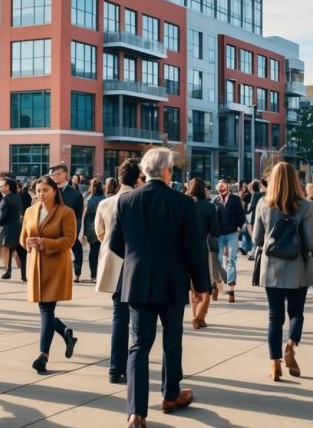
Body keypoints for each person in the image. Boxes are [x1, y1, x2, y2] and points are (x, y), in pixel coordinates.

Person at [109, 148, 210, 427]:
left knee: (139, 346)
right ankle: (170, 394)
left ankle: (136, 412)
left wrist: (137, 254)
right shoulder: (182, 202)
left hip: (138, 280)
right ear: (167, 171)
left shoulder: (126, 201)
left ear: (145, 171)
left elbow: (116, 244)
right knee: (172, 340)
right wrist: (201, 284)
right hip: (172, 280)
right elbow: (193, 248)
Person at [253, 162, 313, 382]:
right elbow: (312, 242)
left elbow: (256, 239)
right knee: (296, 313)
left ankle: (275, 365)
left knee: (274, 318)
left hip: (271, 267)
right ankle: (290, 347)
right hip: (297, 268)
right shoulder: (306, 206)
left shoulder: (263, 204)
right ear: (295, 180)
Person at [20, 175, 78, 374]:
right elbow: (23, 239)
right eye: (38, 191)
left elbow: (69, 240)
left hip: (55, 266)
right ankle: (64, 332)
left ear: (55, 191)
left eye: (45, 190)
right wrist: (28, 243)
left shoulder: (66, 212)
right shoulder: (30, 211)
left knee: (46, 308)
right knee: (45, 309)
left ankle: (43, 355)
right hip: (36, 266)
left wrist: (46, 243)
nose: (41, 195)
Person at [95, 161, 143, 384]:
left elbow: (99, 233)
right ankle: (132, 365)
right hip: (136, 261)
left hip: (113, 261)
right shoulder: (139, 201)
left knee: (118, 316)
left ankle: (115, 367)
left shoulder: (105, 203)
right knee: (137, 317)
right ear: (137, 179)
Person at [187, 177, 220, 330]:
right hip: (201, 249)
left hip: (184, 249)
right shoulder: (208, 207)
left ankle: (197, 317)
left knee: (193, 287)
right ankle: (199, 317)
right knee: (205, 286)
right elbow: (215, 231)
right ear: (203, 190)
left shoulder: (184, 204)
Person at [48, 165, 84, 282]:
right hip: (52, 228)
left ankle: (77, 272)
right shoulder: (48, 192)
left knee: (76, 248)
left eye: (58, 173)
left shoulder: (76, 195)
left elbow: (78, 215)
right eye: (53, 174)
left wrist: (76, 231)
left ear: (66, 174)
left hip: (69, 228)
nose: (55, 176)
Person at [211, 178, 245, 303]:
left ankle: (231, 289)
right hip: (219, 235)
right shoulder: (215, 201)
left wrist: (239, 227)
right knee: (218, 261)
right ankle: (217, 285)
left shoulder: (235, 199)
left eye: (223, 185)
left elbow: (241, 215)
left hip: (232, 233)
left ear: (228, 187)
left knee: (231, 260)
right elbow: (212, 219)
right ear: (216, 188)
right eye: (219, 186)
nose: (221, 187)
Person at [0, 177, 25, 281]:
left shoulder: (6, 199)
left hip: (8, 229)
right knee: (21, 252)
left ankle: (8, 271)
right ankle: (24, 275)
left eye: (1, 186)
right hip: (18, 228)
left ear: (7, 187)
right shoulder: (17, 197)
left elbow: (1, 218)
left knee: (5, 249)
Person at [80, 179, 104, 283]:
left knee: (93, 252)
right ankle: (101, 274)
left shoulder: (89, 200)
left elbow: (84, 215)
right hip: (104, 227)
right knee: (102, 253)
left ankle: (93, 275)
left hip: (91, 228)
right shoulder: (105, 199)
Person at [243, 180, 264, 260]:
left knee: (255, 235)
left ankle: (255, 253)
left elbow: (251, 207)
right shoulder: (263, 193)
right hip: (262, 216)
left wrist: (245, 210)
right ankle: (255, 252)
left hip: (254, 217)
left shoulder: (255, 194)